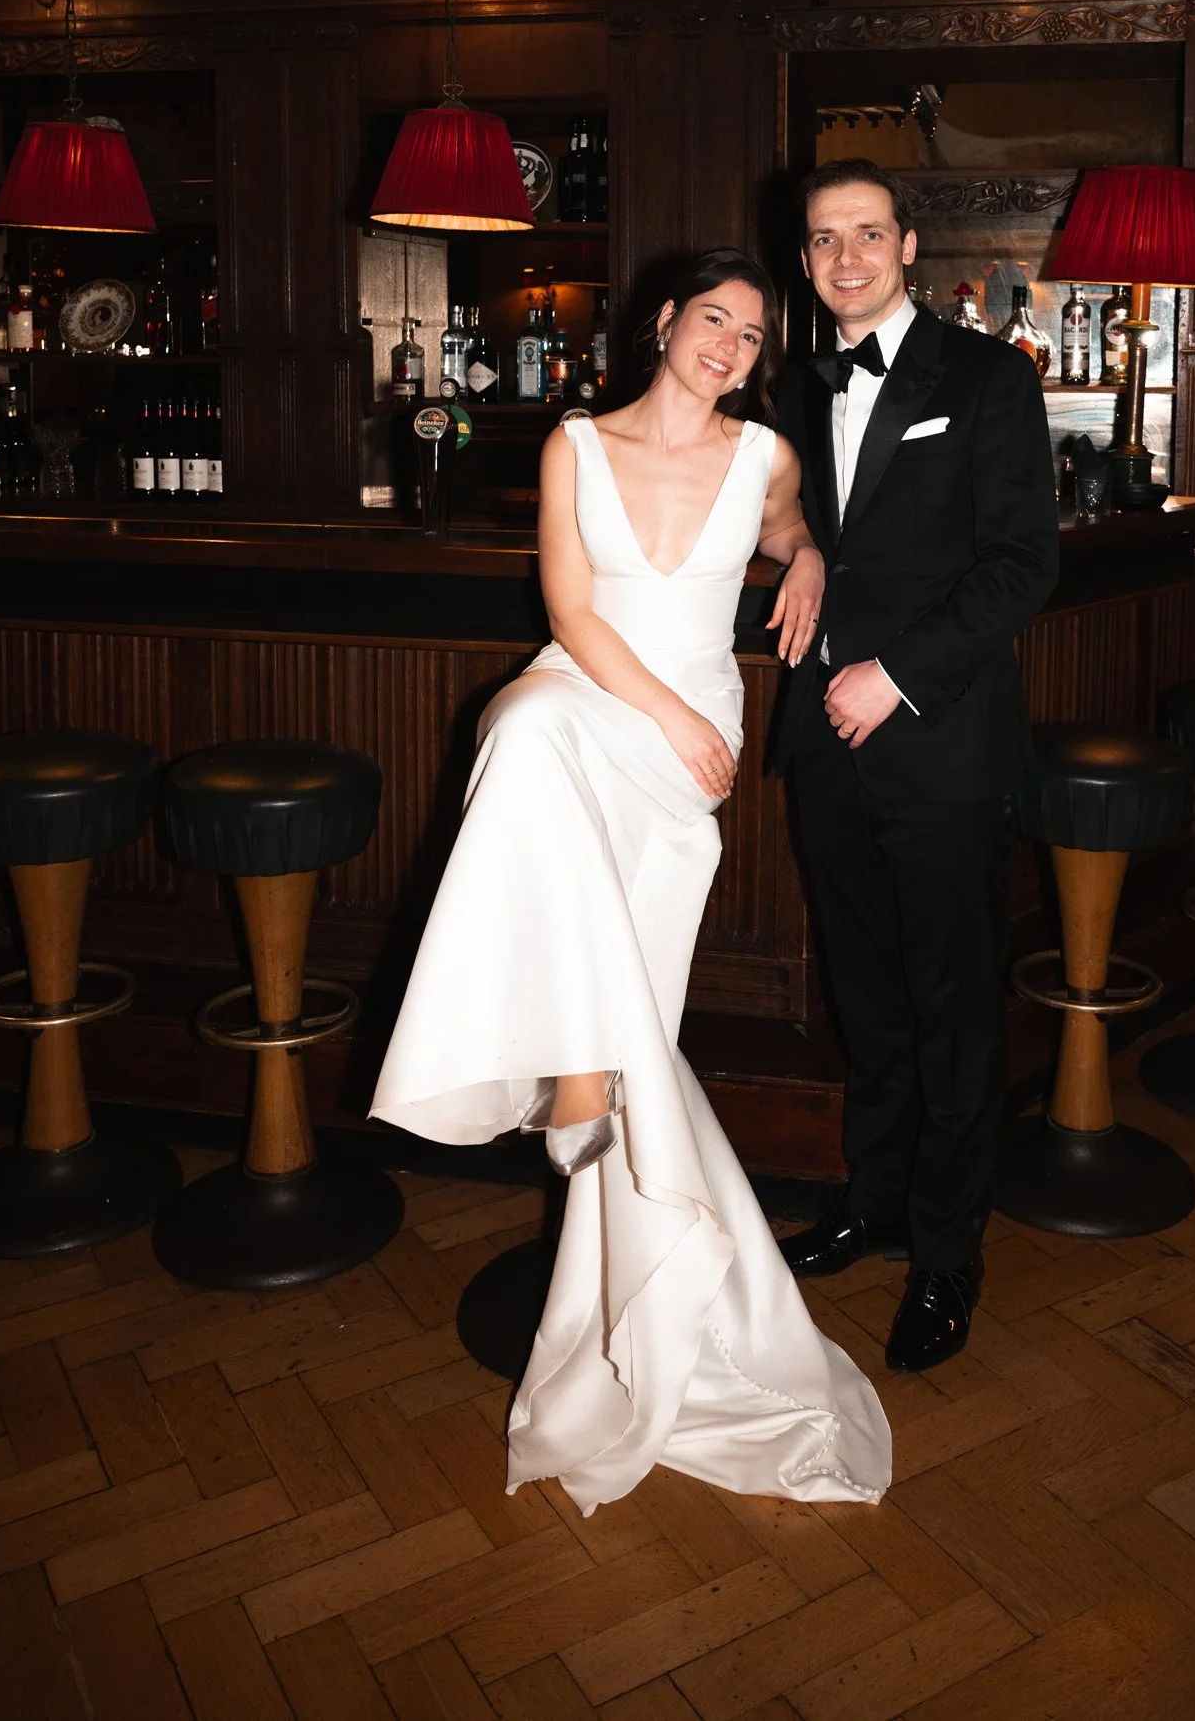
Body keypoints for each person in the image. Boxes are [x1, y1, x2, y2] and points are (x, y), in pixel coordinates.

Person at [372, 249, 889, 1515]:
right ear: (664, 322)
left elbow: (789, 532)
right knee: (523, 730)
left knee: (636, 1005)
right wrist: (653, 708)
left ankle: (625, 1236)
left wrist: (810, 556)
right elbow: (569, 602)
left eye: (753, 333)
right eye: (712, 318)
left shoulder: (764, 453)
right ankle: (575, 1074)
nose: (730, 343)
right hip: (598, 688)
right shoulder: (573, 443)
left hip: (688, 738)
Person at [774, 160, 1060, 1372]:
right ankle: (875, 1197)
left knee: (951, 1009)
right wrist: (791, 548)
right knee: (864, 991)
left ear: (904, 247)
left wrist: (891, 675)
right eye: (824, 238)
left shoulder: (989, 376)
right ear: (804, 259)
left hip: (937, 739)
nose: (846, 256)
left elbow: (1019, 565)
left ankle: (947, 1254)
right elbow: (776, 510)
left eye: (867, 234)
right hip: (822, 747)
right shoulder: (790, 383)